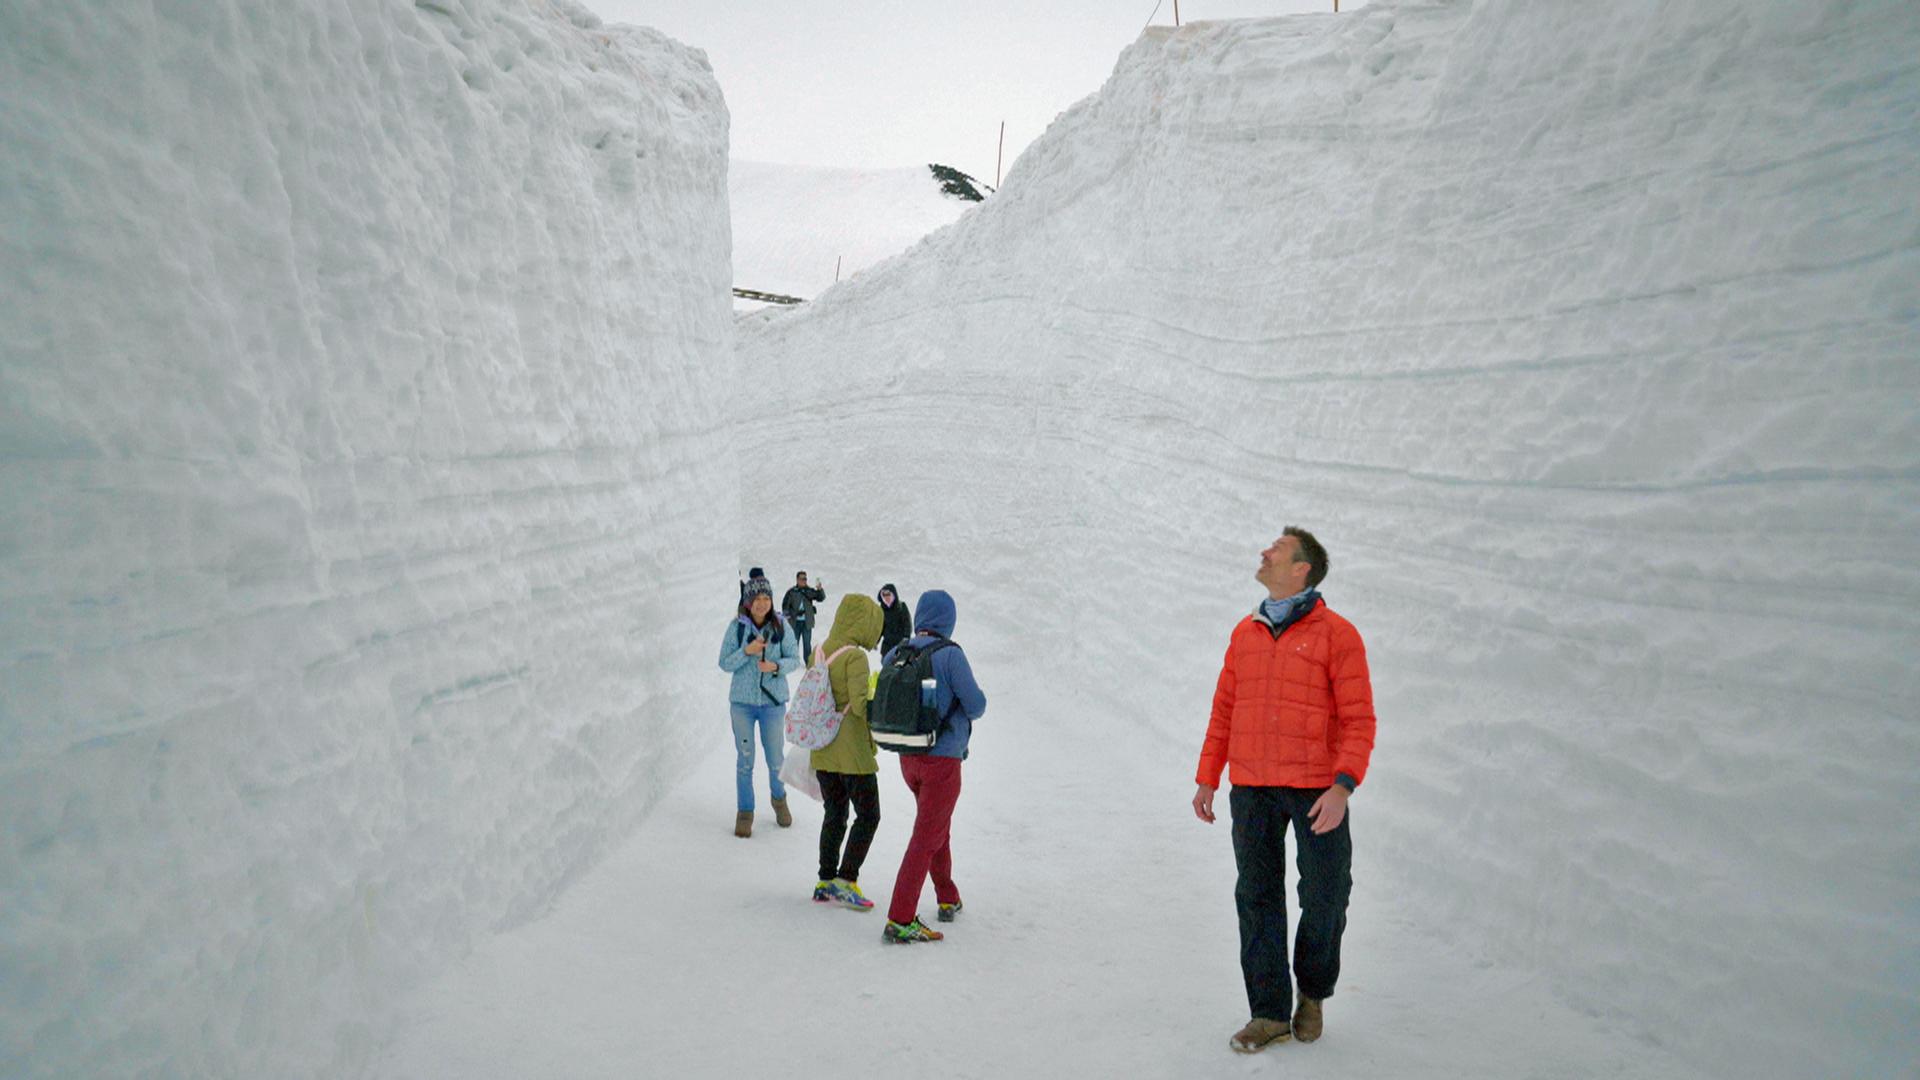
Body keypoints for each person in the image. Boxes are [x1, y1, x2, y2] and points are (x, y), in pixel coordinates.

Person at [1191, 526, 1376, 1053]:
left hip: (1317, 789)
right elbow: (1224, 709)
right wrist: (1209, 775)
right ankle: (1268, 1011)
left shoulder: (1338, 635)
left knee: (1325, 895)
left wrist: (1343, 786)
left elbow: (1360, 719)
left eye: (1276, 549)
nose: (1264, 552)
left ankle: (1312, 991)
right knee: (1257, 896)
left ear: (1302, 569)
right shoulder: (1244, 633)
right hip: (1251, 786)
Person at [881, 589, 986, 944]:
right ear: (948, 621)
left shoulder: (897, 652)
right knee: (926, 836)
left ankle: (947, 897)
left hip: (908, 757)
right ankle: (901, 917)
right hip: (943, 761)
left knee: (935, 827)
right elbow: (976, 704)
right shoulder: (950, 655)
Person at [809, 594, 885, 911]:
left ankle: (825, 880)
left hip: (824, 748)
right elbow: (858, 703)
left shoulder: (822, 648)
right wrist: (876, 698)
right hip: (851, 752)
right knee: (868, 815)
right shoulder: (855, 656)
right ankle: (847, 879)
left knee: (835, 813)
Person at [718, 577, 801, 837]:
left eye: (766, 598)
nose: (762, 604)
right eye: (757, 599)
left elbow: (794, 659)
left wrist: (775, 667)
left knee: (776, 760)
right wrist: (747, 651)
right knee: (745, 761)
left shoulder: (781, 626)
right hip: (742, 704)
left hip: (772, 703)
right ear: (748, 602)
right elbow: (724, 663)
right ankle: (745, 812)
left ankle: (779, 800)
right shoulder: (737, 628)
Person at [782, 571, 827, 660]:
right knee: (794, 642)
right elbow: (785, 605)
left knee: (807, 643)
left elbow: (821, 598)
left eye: (805, 579)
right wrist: (788, 616)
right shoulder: (792, 592)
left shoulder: (809, 591)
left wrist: (820, 589)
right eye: (802, 579)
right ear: (797, 580)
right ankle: (792, 660)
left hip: (807, 622)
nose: (804, 581)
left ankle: (808, 661)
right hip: (795, 622)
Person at [876, 583, 911, 658]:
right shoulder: (881, 610)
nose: (886, 598)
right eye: (884, 596)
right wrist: (875, 641)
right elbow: (880, 628)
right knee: (887, 666)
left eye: (888, 595)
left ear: (893, 595)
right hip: (887, 647)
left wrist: (906, 638)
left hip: (900, 646)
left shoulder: (902, 607)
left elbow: (907, 623)